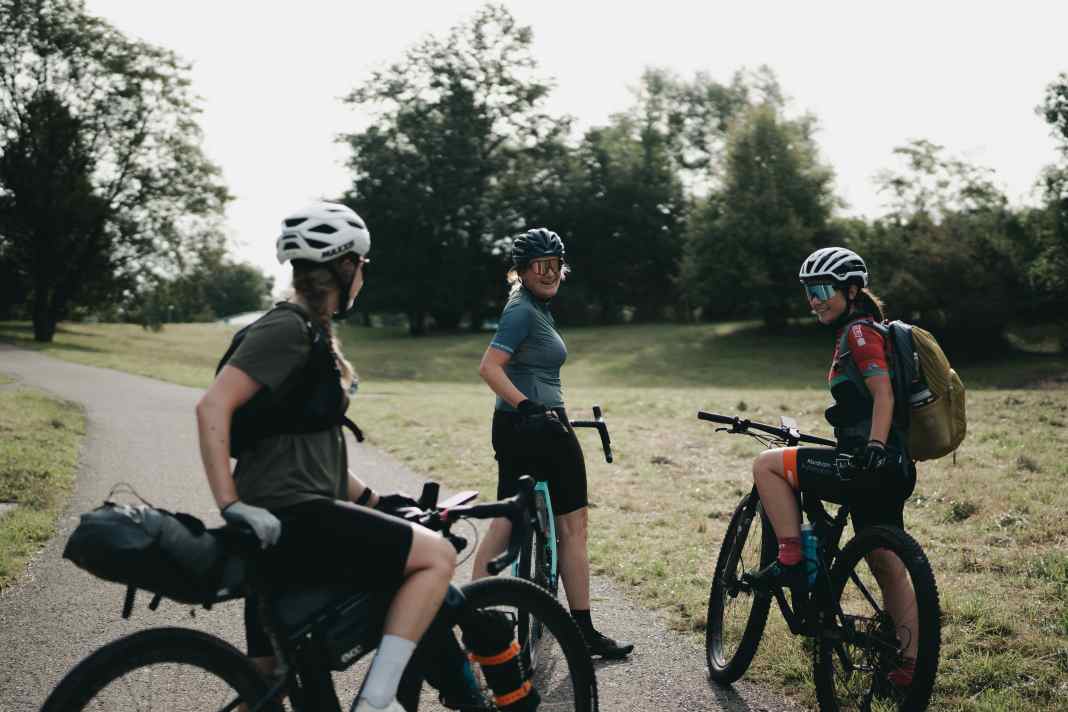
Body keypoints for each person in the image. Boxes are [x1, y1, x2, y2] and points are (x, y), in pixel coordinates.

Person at [196, 202, 458, 712]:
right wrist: (229, 504)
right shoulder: (287, 328)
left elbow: (308, 451)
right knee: (437, 557)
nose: (364, 275)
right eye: (363, 264)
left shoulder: (310, 333)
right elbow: (212, 406)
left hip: (285, 517)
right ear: (346, 266)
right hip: (293, 518)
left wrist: (379, 501)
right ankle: (377, 701)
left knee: (265, 685)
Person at [749, 246, 919, 687]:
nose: (815, 299)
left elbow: (884, 395)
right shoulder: (871, 328)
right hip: (894, 466)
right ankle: (908, 667)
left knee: (767, 465)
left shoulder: (859, 334)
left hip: (865, 461)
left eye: (823, 289)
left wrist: (873, 445)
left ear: (853, 289)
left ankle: (791, 560)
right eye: (809, 291)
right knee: (885, 562)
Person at [470, 227, 633, 660]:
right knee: (573, 526)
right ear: (521, 270)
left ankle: (471, 624)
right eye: (539, 265)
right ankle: (582, 632)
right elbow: (490, 367)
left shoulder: (531, 308)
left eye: (555, 264)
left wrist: (525, 408)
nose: (549, 272)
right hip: (535, 422)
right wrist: (527, 406)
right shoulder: (522, 310)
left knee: (506, 522)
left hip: (516, 424)